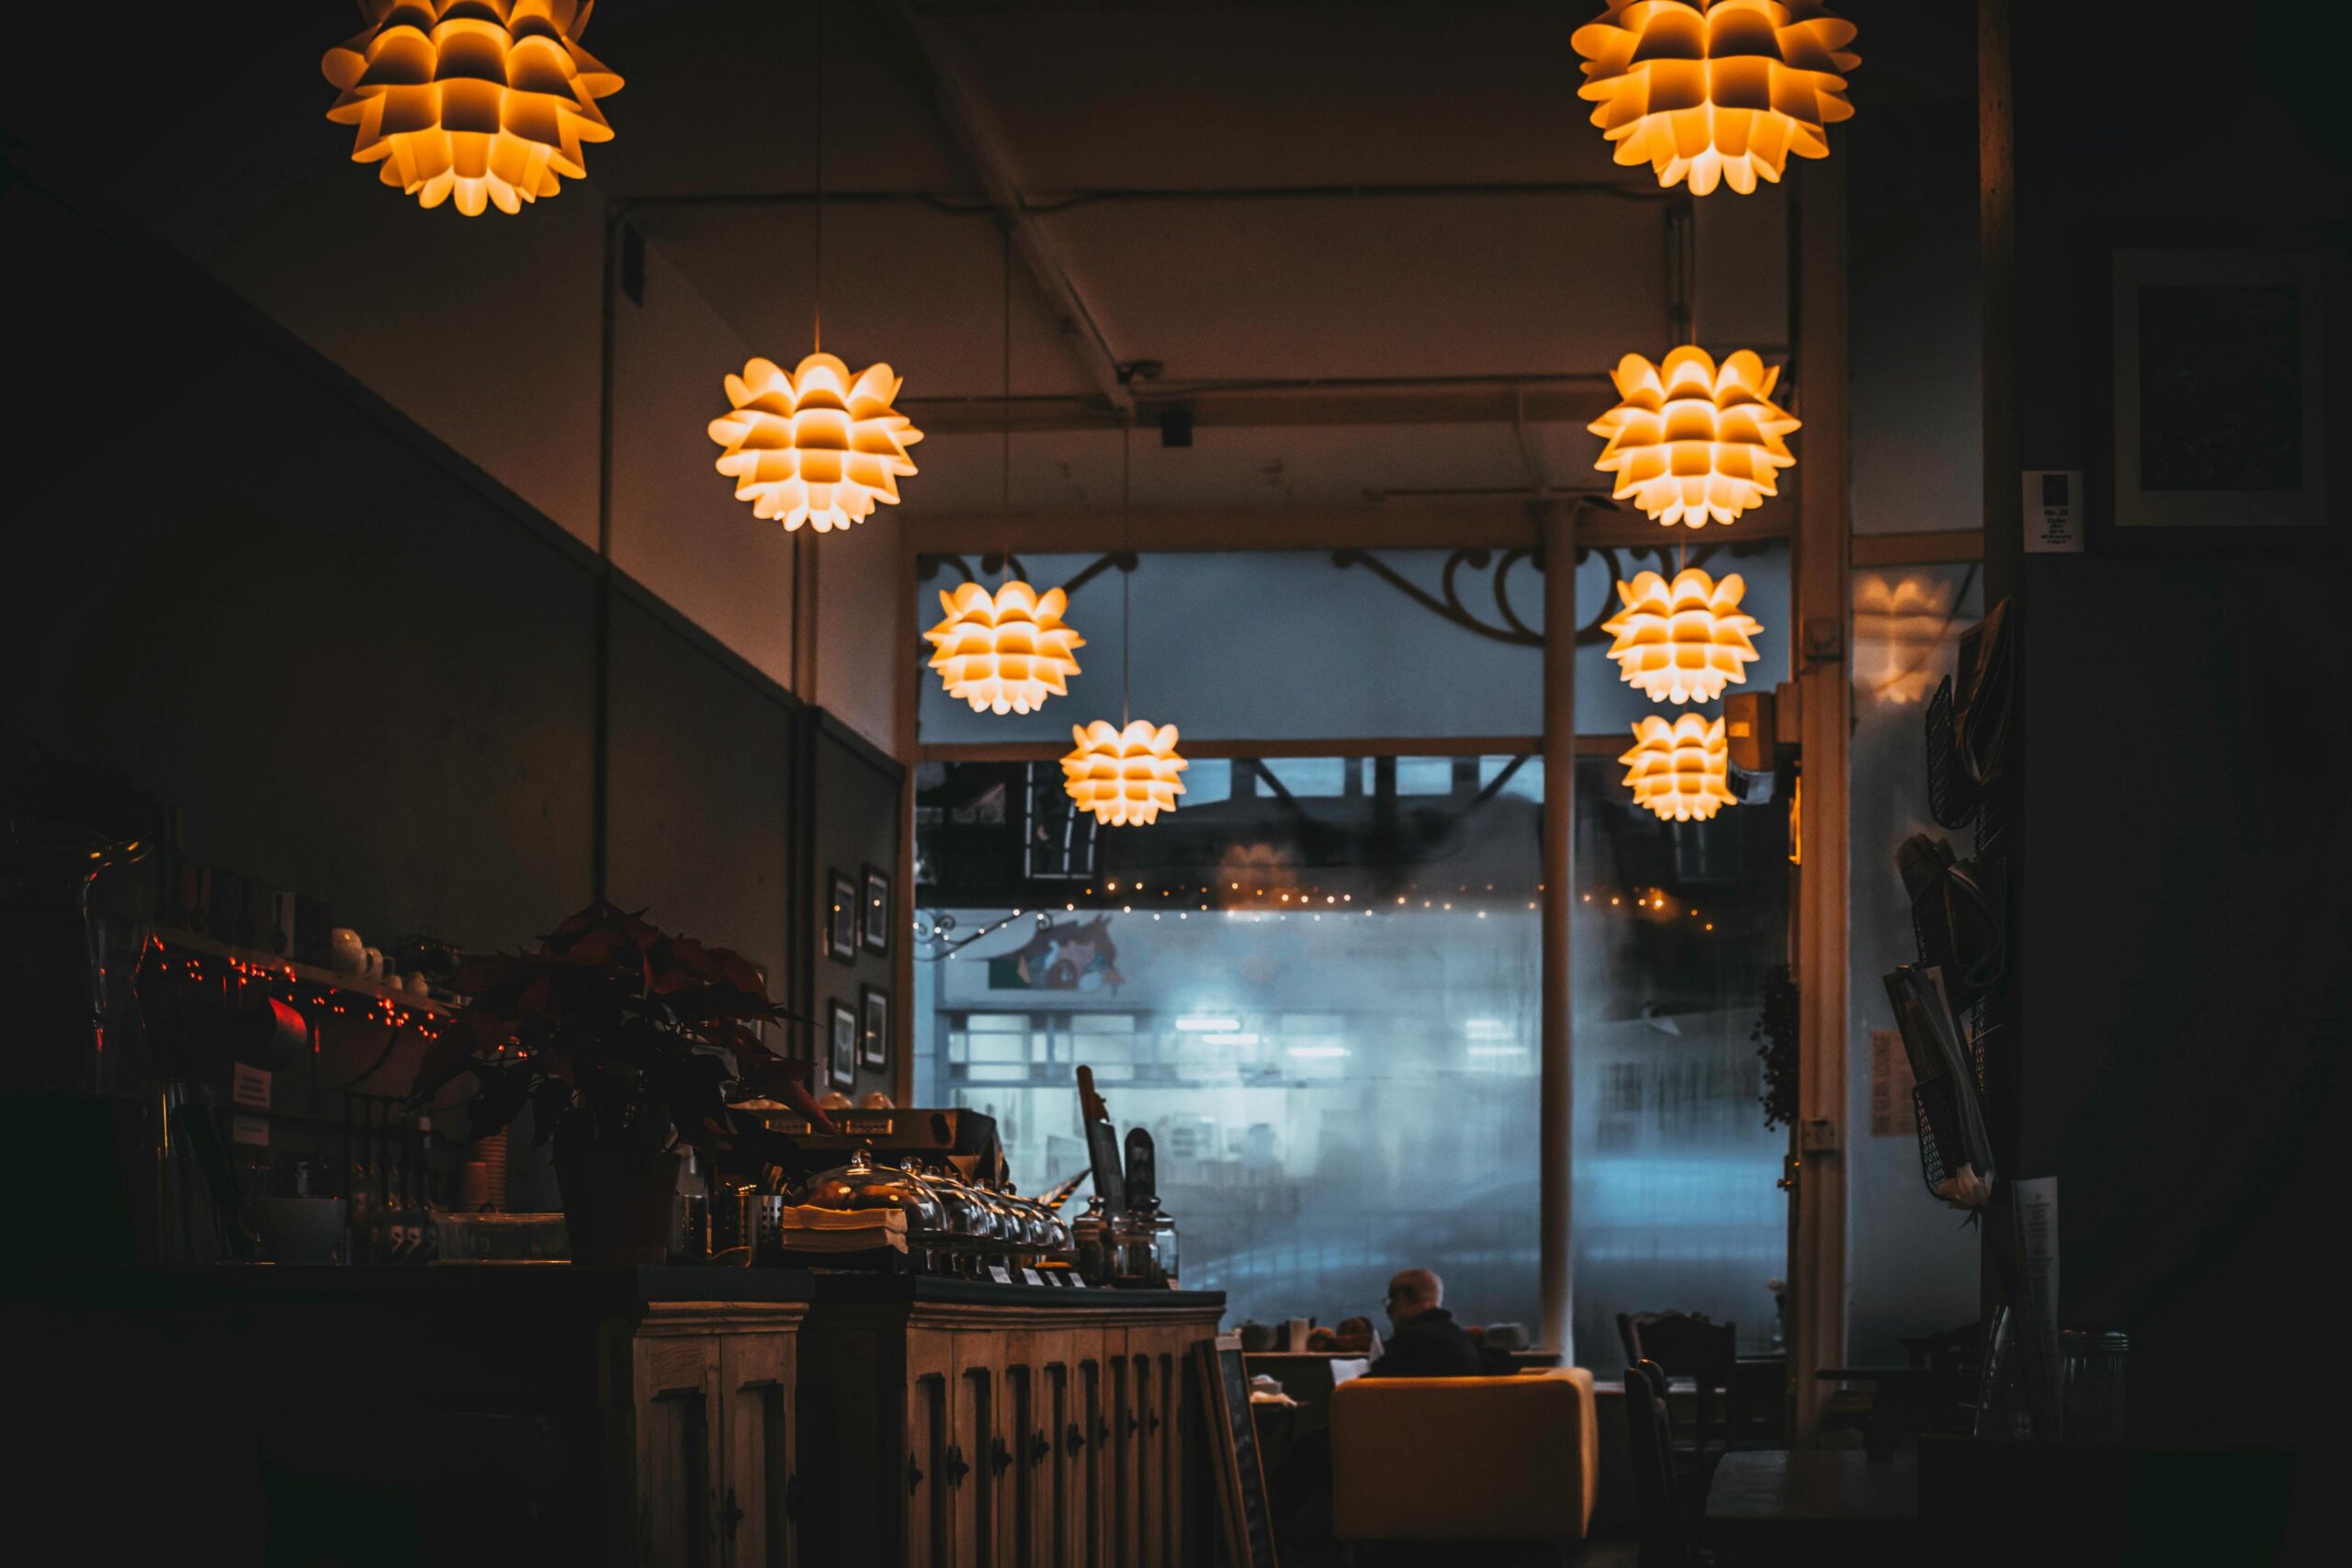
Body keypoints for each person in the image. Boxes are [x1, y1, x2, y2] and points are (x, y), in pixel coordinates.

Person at [1366, 1267, 1485, 1378]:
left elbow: (1369, 1388)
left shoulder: (1410, 1340)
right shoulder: (1462, 1338)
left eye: (1390, 1301)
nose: (1388, 1311)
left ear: (1401, 1299)